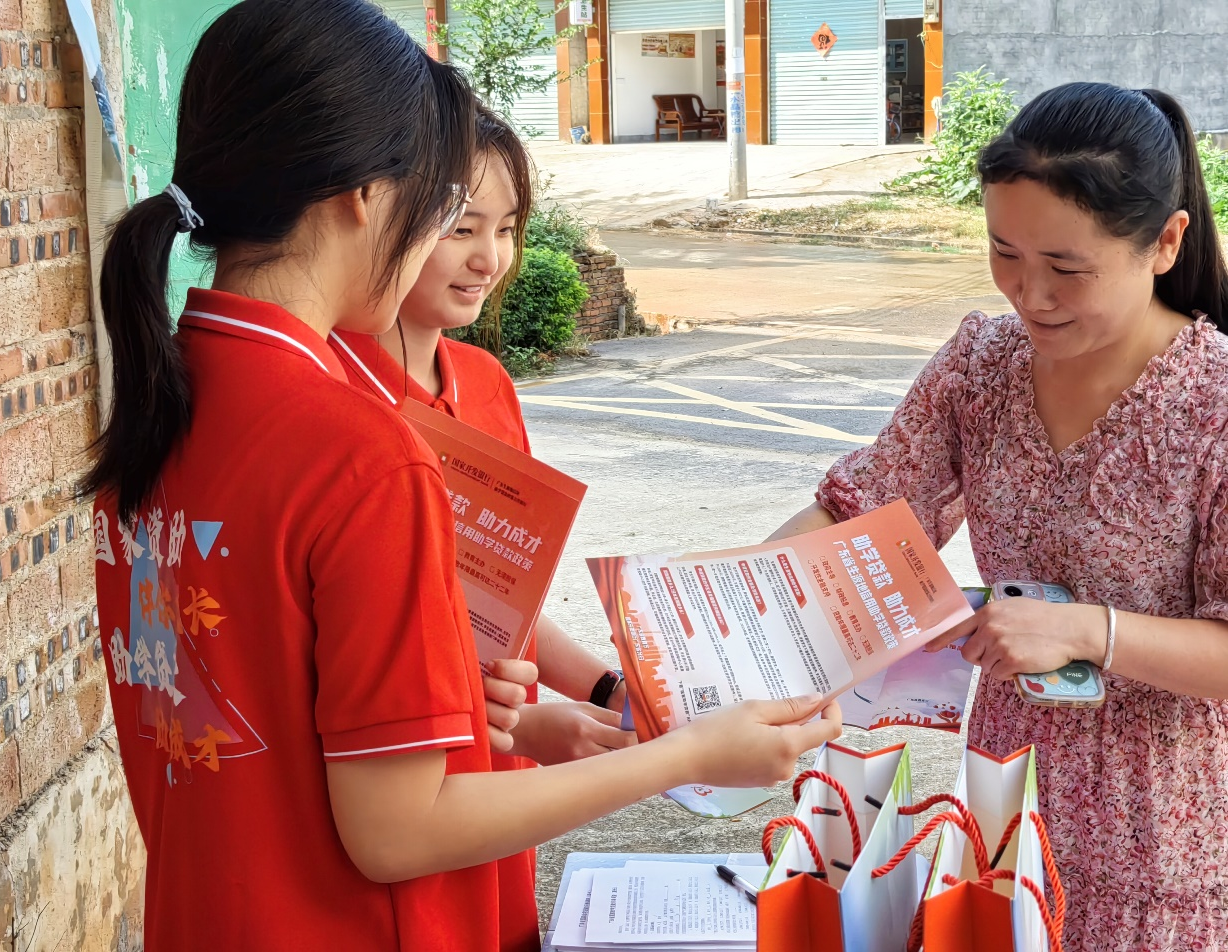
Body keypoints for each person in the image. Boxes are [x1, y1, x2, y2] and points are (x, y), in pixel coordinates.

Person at [86, 2, 843, 950]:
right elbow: (398, 832)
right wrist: (687, 755)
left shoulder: (170, 398)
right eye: (442, 209)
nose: (467, 245)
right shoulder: (359, 452)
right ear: (363, 193)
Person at [770, 82, 1228, 950]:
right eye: (1003, 251)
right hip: (1003, 802)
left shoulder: (1214, 407)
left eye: (1065, 268)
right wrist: (705, 611)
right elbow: (855, 511)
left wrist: (1086, 630)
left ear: (1164, 242)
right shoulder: (980, 365)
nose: (1029, 293)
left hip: (1166, 835)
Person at [330, 108, 637, 770]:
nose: (489, 258)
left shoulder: (486, 381)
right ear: (384, 216)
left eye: (506, 230)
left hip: (506, 770)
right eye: (462, 229)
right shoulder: (334, 397)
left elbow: (500, 612)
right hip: (408, 776)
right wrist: (519, 729)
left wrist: (609, 690)